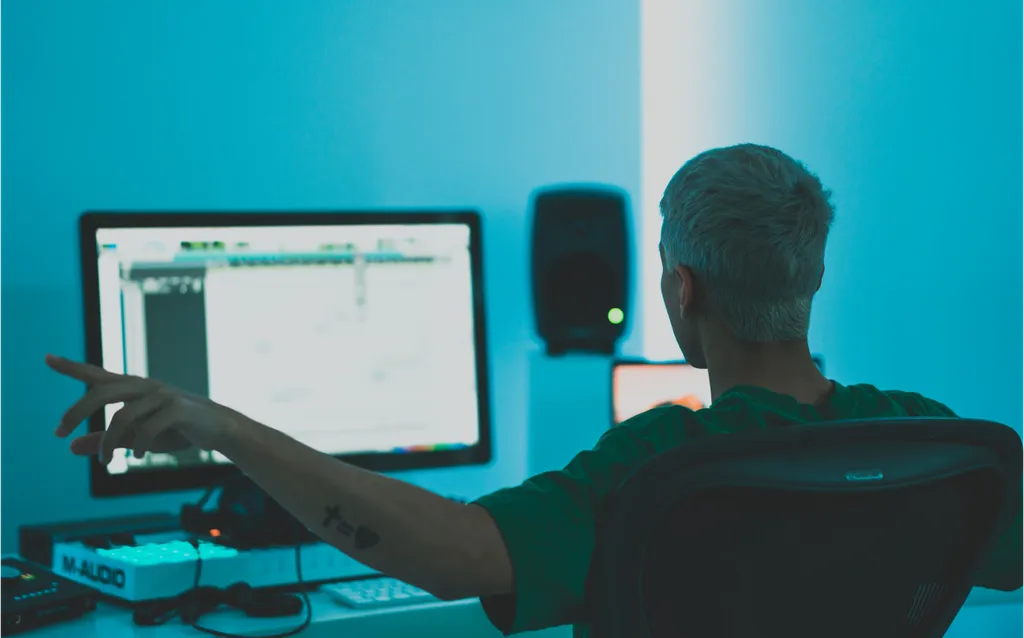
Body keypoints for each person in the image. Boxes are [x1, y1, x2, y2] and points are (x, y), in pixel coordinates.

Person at [47, 144, 1021, 637]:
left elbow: (452, 556)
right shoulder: (936, 441)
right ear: (810, 277)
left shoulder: (674, 464)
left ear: (681, 288)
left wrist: (223, 424)